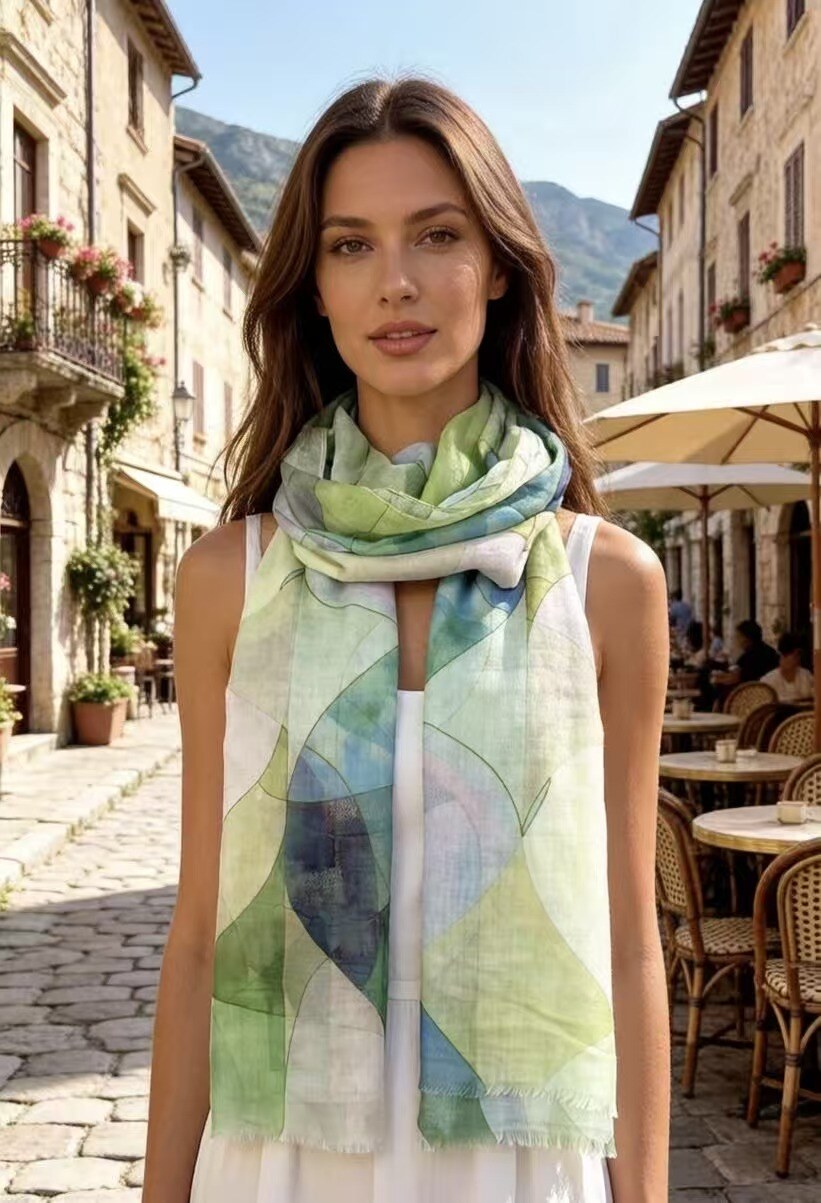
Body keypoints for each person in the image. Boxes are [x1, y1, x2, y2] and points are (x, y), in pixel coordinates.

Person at [142, 77, 670, 1203]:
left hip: (523, 1158)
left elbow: (630, 942)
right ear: (312, 290)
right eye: (349, 245)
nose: (396, 282)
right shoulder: (231, 581)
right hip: (279, 1155)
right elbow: (196, 941)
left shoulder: (601, 583)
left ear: (499, 268)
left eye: (437, 235)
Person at [712, 618, 779, 689]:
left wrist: (716, 680)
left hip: (749, 694)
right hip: (770, 692)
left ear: (746, 638)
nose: (736, 639)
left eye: (738, 636)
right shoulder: (769, 651)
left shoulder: (749, 657)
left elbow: (735, 678)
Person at [761, 632, 814, 702]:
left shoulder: (806, 676)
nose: (798, 659)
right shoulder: (768, 681)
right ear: (782, 655)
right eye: (795, 656)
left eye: (799, 655)